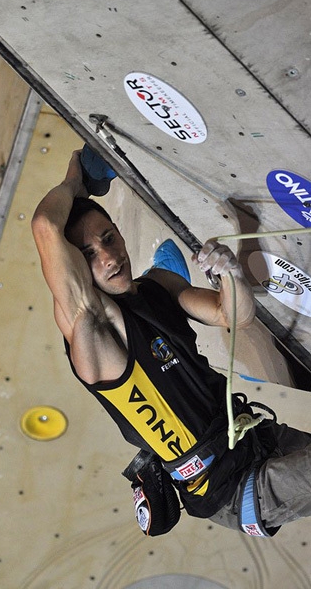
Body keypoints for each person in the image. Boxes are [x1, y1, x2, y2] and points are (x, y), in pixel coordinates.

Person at [32, 149, 311, 538]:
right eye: (90, 255)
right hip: (230, 488)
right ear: (76, 269)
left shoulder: (156, 290)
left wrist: (230, 273)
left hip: (257, 437)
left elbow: (233, 316)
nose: (110, 256)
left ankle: (164, 262)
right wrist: (75, 182)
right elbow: (46, 225)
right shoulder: (93, 330)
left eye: (109, 239)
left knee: (166, 279)